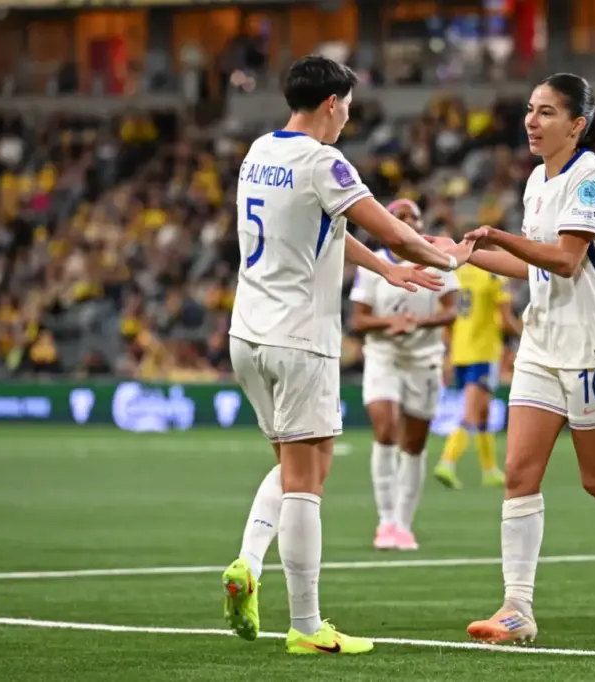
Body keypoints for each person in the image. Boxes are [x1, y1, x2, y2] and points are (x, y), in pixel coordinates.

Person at [221, 55, 475, 656]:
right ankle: (307, 626)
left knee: (289, 463)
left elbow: (328, 229)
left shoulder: (260, 152)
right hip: (300, 339)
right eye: (348, 108)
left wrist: (387, 270)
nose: (347, 120)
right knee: (309, 479)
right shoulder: (324, 161)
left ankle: (248, 561)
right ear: (333, 103)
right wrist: (450, 258)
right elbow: (394, 227)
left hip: (247, 335)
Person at [433, 73, 595, 645]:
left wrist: (494, 235)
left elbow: (567, 260)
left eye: (546, 112)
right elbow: (533, 267)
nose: (531, 121)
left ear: (577, 124)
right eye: (528, 110)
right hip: (542, 346)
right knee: (520, 473)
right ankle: (516, 608)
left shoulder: (592, 179)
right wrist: (466, 257)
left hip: (593, 348)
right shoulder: (537, 181)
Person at [349, 199, 460, 551]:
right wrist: (390, 323)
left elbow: (451, 311)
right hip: (384, 355)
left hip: (424, 358)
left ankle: (403, 523)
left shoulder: (436, 258)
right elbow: (359, 320)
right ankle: (385, 521)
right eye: (400, 216)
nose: (408, 220)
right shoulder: (373, 264)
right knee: (384, 429)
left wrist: (419, 323)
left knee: (414, 444)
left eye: (413, 216)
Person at [433, 249, 520, 490]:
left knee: (481, 413)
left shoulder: (458, 274)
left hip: (461, 352)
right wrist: (525, 333)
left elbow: (448, 317)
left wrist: (449, 353)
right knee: (472, 412)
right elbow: (505, 320)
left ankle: (489, 470)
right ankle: (446, 462)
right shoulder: (494, 277)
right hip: (483, 352)